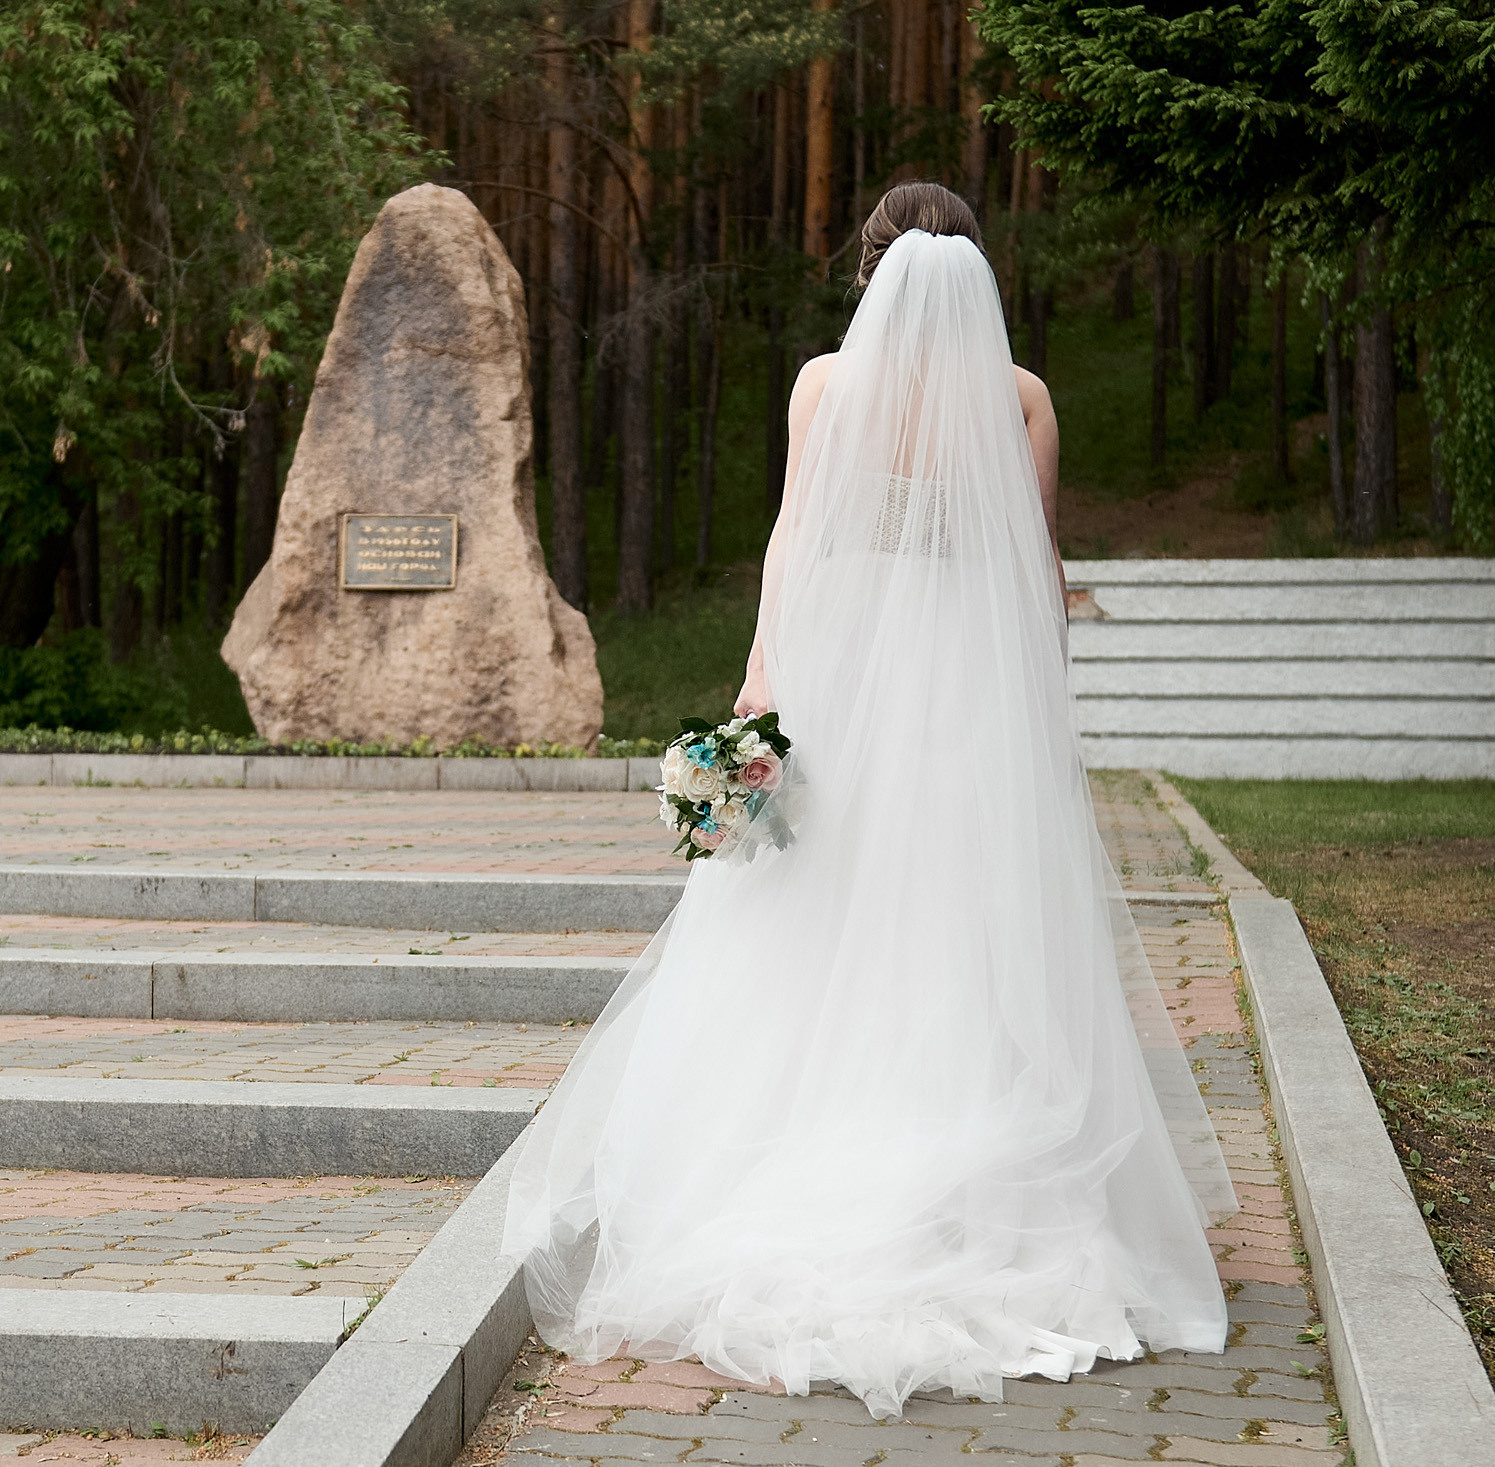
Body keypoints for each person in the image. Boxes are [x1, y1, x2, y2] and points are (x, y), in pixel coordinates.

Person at [501, 182, 1234, 1422]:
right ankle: (973, 1170)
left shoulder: (821, 384)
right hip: (964, 685)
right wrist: (1036, 723)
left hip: (842, 668)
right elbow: (1037, 569)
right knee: (958, 909)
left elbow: (791, 541)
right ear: (973, 280)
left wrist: (758, 682)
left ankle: (786, 1160)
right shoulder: (1021, 397)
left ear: (869, 271)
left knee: (813, 910)